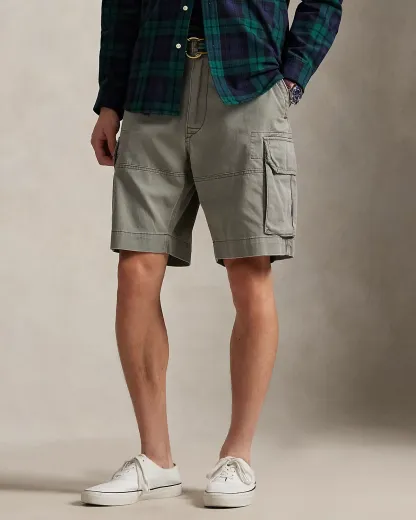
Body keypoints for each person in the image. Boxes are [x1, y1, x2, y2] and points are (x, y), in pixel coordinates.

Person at [84, 0, 342, 509]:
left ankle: (237, 455)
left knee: (250, 270)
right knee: (135, 270)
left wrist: (292, 79)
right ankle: (155, 459)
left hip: (248, 89)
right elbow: (120, 8)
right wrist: (110, 102)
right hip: (152, 90)